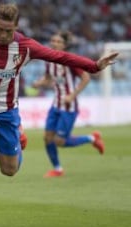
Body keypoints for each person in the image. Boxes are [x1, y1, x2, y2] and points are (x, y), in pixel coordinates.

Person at [0, 3, 118, 227]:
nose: (3, 35)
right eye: (0, 29)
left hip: (7, 112)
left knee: (9, 170)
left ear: (17, 28)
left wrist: (94, 66)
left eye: (9, 31)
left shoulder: (25, 46)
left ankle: (18, 138)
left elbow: (60, 56)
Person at [32, 31, 105, 178]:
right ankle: (58, 169)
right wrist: (39, 83)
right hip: (56, 105)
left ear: (65, 45)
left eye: (58, 41)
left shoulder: (70, 61)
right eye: (53, 40)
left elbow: (86, 78)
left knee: (59, 141)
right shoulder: (49, 61)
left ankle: (92, 138)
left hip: (69, 107)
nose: (54, 43)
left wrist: (72, 95)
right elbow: (48, 79)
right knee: (47, 138)